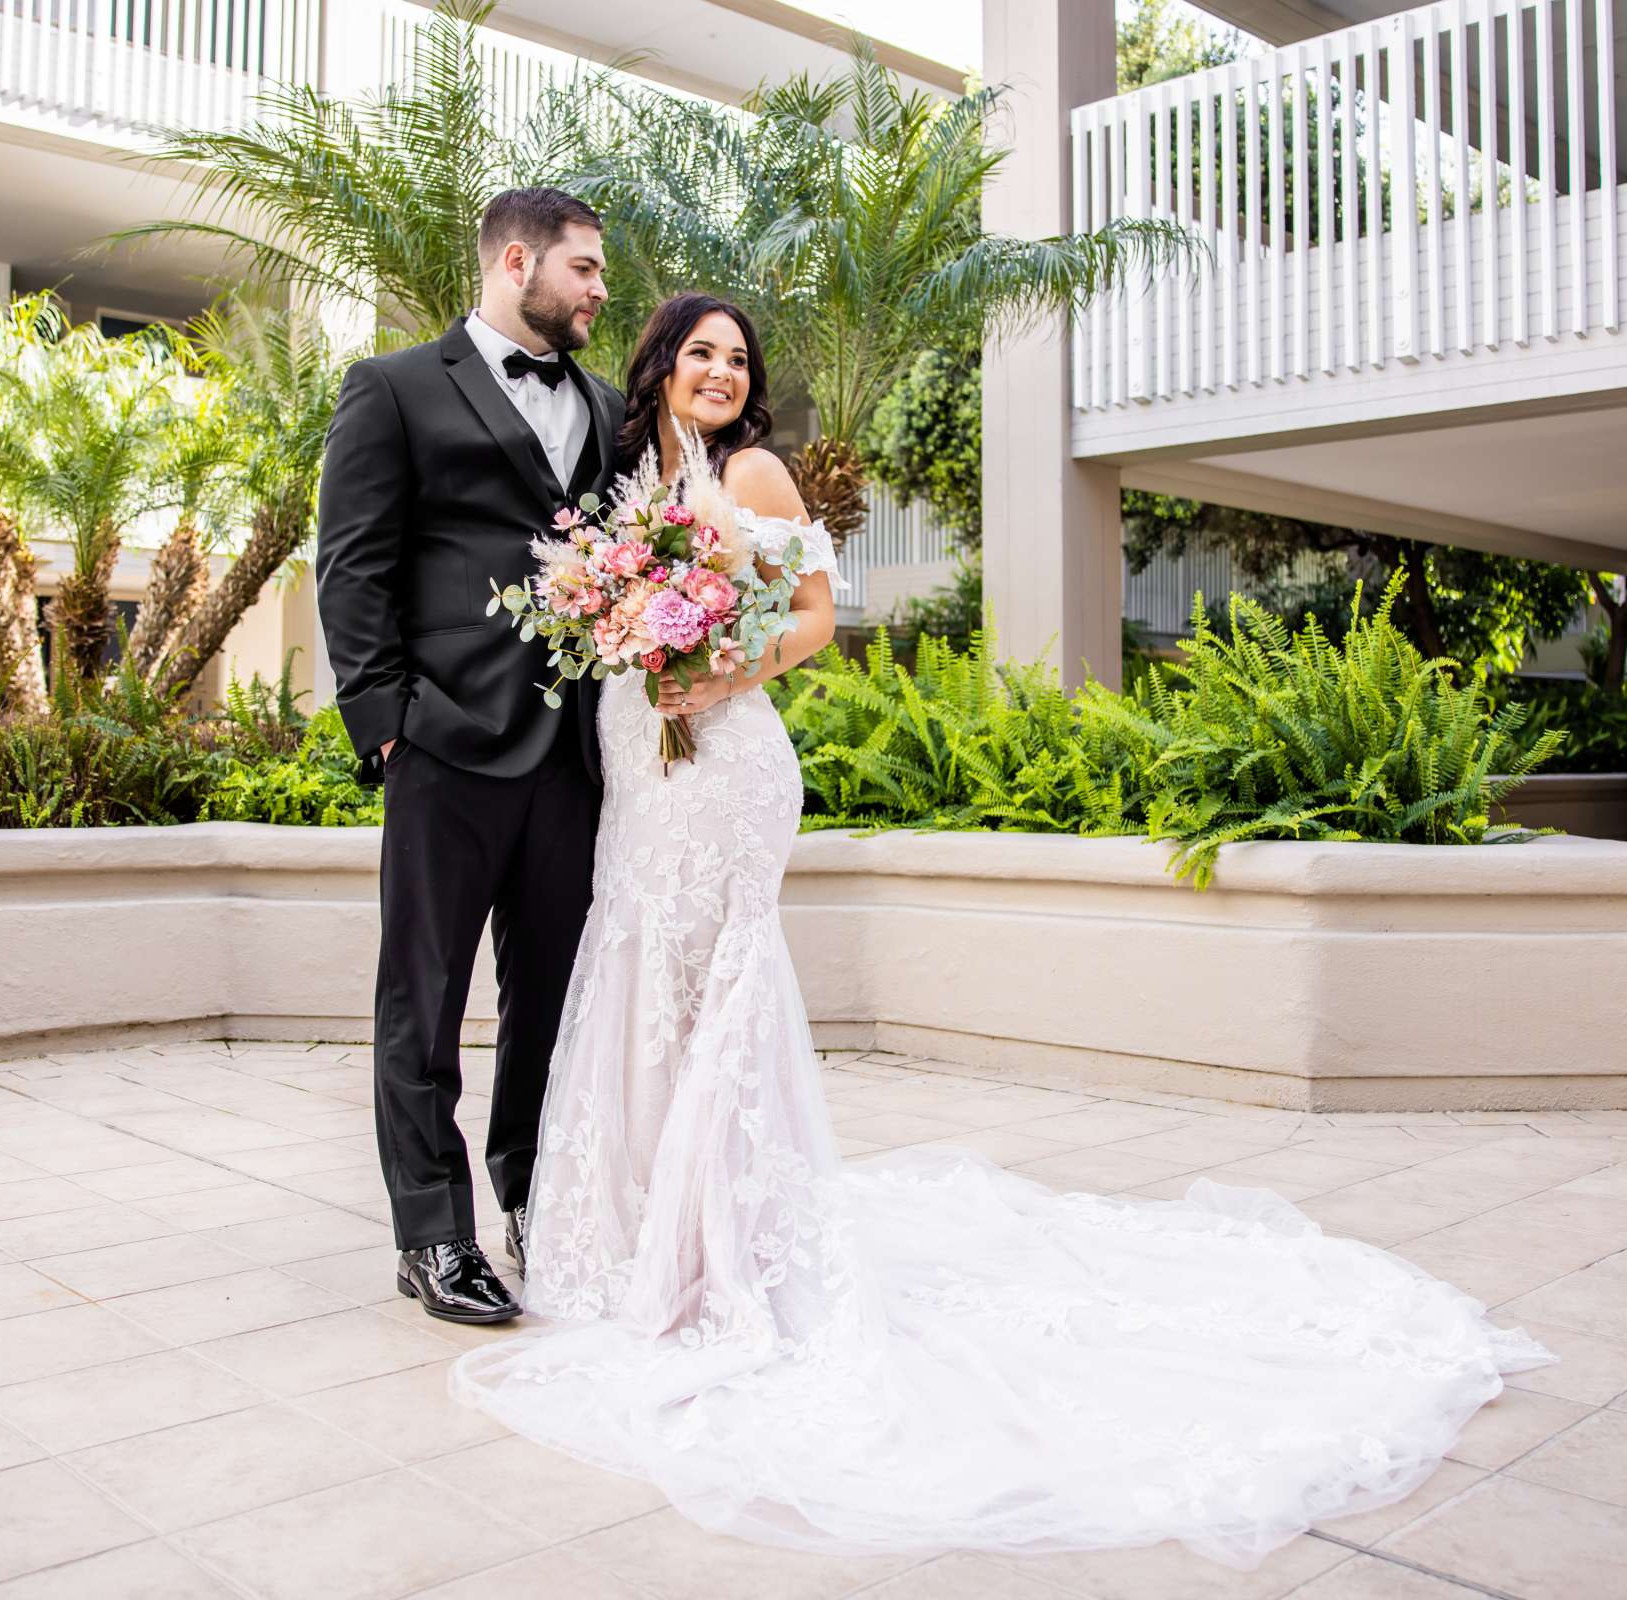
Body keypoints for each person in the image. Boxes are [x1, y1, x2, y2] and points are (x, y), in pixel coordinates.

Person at [448, 291, 1557, 1570]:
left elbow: (811, 611)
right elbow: (599, 604)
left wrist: (724, 668)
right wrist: (628, 631)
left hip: (728, 757)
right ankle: (638, 1229)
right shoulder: (631, 467)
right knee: (644, 965)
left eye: (737, 357)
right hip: (640, 757)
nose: (718, 370)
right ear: (658, 362)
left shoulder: (755, 466)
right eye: (700, 350)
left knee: (719, 982)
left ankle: (724, 1252)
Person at [314, 187, 623, 1324]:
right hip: (444, 741)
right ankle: (432, 1234)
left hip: (573, 753)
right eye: (584, 269)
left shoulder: (598, 403)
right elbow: (351, 565)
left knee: (549, 998)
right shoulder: (392, 387)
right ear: (513, 260)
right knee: (426, 999)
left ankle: (533, 1197)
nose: (599, 290)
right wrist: (387, 720)